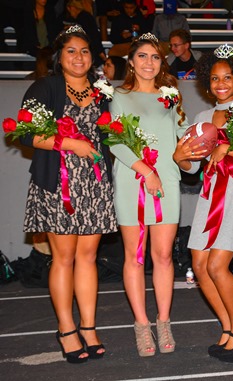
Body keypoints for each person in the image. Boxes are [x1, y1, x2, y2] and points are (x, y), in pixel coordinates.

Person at [19, 25, 117, 363]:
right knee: (63, 258)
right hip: (57, 184)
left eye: (85, 51)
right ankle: (66, 328)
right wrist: (69, 143)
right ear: (59, 57)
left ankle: (88, 326)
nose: (79, 57)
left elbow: (112, 137)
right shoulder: (44, 86)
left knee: (88, 258)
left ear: (93, 58)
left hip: (94, 185)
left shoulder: (103, 92)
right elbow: (26, 134)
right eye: (71, 51)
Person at [109, 32, 190, 357]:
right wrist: (146, 171)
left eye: (155, 57)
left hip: (167, 182)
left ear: (162, 62)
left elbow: (181, 140)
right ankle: (142, 326)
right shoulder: (117, 95)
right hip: (133, 181)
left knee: (164, 256)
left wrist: (193, 157)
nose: (148, 62)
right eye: (142, 56)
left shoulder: (171, 97)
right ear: (130, 62)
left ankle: (163, 321)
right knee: (134, 257)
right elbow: (115, 141)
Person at [179, 44, 233, 363]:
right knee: (199, 266)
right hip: (210, 195)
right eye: (215, 78)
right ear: (207, 82)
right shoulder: (201, 117)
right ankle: (228, 329)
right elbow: (193, 168)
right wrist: (180, 158)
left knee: (216, 265)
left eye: (227, 77)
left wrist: (229, 149)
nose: (221, 83)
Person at [64, 0, 107, 66]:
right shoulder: (83, 17)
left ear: (72, 7)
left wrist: (101, 53)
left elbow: (93, 36)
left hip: (92, 51)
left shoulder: (84, 18)